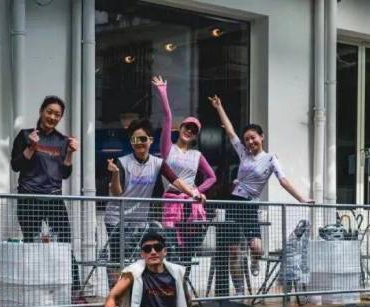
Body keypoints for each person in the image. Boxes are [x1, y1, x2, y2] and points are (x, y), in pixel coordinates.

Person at [208, 94, 313, 293]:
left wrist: (301, 198)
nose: (249, 142)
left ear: (261, 137)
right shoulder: (243, 154)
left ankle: (255, 261)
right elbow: (230, 132)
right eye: (247, 139)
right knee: (233, 251)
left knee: (257, 248)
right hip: (234, 202)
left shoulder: (271, 159)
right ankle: (239, 291)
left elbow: (283, 181)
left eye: (253, 138)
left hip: (250, 206)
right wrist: (219, 107)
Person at [103, 118, 203, 285]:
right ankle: (116, 295)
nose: (139, 143)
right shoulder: (122, 162)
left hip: (139, 219)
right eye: (135, 139)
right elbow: (116, 192)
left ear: (150, 140)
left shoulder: (157, 163)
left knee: (139, 257)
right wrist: (115, 174)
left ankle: (134, 293)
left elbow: (176, 181)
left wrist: (193, 193)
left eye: (143, 139)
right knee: (118, 257)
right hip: (116, 217)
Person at [11, 95, 88, 307]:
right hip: (29, 198)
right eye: (50, 112)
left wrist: (70, 153)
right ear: (41, 111)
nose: (53, 117)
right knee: (32, 245)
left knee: (65, 245)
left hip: (53, 198)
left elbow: (65, 173)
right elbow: (15, 166)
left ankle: (75, 292)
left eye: (57, 114)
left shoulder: (62, 141)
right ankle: (33, 294)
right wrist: (31, 148)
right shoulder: (25, 135)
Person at [152, 75, 216, 265]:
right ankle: (174, 282)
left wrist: (196, 191)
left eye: (194, 130)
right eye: (187, 127)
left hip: (191, 206)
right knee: (171, 250)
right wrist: (163, 92)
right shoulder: (168, 149)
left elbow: (211, 177)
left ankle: (184, 283)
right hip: (171, 202)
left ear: (195, 136)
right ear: (180, 128)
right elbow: (167, 118)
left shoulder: (197, 155)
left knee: (187, 253)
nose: (189, 131)